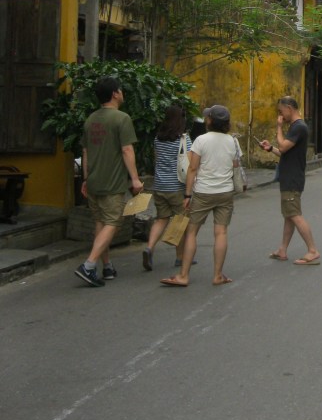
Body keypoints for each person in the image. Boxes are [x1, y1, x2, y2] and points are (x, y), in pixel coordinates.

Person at [75, 76, 143, 287]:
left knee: (100, 223)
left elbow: (85, 152)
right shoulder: (121, 119)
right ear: (115, 93)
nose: (122, 92)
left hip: (93, 180)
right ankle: (88, 265)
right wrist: (135, 178)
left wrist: (85, 179)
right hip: (112, 182)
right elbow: (127, 149)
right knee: (113, 222)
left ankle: (107, 267)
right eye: (120, 90)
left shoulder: (91, 119)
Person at [160, 104, 238, 288]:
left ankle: (183, 275)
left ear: (209, 120)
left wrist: (187, 194)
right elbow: (234, 165)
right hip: (225, 191)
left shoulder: (200, 140)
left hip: (203, 192)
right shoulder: (231, 141)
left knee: (192, 233)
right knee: (221, 233)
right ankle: (218, 275)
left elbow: (192, 169)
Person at [262, 96, 320, 265]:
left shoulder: (298, 127)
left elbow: (283, 146)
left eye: (281, 112)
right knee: (289, 215)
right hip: (291, 176)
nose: (281, 116)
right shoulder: (296, 127)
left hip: (292, 178)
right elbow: (283, 152)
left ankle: (312, 250)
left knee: (294, 214)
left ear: (289, 107)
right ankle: (283, 250)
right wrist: (270, 148)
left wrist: (278, 128)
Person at [143, 105, 192, 271]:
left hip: (159, 185)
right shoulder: (183, 139)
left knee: (161, 219)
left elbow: (157, 160)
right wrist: (189, 192)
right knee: (180, 221)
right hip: (177, 187)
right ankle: (180, 257)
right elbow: (190, 165)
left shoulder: (158, 138)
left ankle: (149, 247)